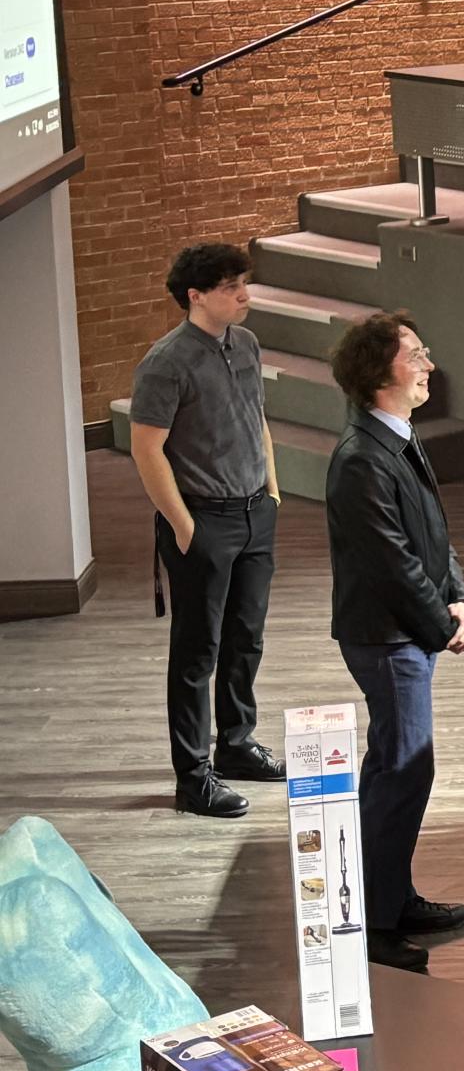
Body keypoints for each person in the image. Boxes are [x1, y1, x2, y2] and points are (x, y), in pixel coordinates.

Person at [326, 313, 464, 972]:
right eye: (416, 354)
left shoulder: (394, 437)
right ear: (380, 372)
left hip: (404, 633)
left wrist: (460, 597)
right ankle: (375, 927)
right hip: (387, 639)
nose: (428, 365)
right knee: (403, 770)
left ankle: (389, 895)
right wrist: (442, 625)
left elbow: (432, 535)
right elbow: (391, 563)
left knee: (393, 767)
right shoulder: (361, 458)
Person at [129, 243, 284, 818]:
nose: (244, 294)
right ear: (195, 296)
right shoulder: (165, 362)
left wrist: (270, 490)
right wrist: (185, 526)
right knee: (198, 652)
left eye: (243, 282)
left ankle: (237, 746)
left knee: (247, 638)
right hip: (204, 521)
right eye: (229, 286)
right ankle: (193, 778)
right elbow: (146, 449)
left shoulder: (244, 343)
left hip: (254, 514)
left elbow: (257, 421)